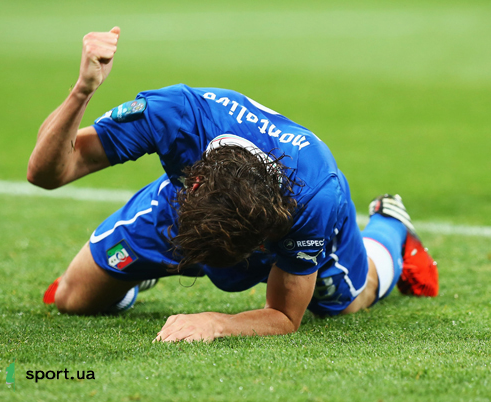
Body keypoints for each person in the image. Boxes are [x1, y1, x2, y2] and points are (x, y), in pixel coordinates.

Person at [27, 27, 439, 343]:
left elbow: (285, 315)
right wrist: (82, 91)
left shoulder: (314, 196)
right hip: (182, 214)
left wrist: (217, 322)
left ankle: (391, 225)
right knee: (72, 299)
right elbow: (48, 173)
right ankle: (143, 272)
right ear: (194, 179)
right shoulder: (175, 115)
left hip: (283, 227)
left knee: (348, 302)